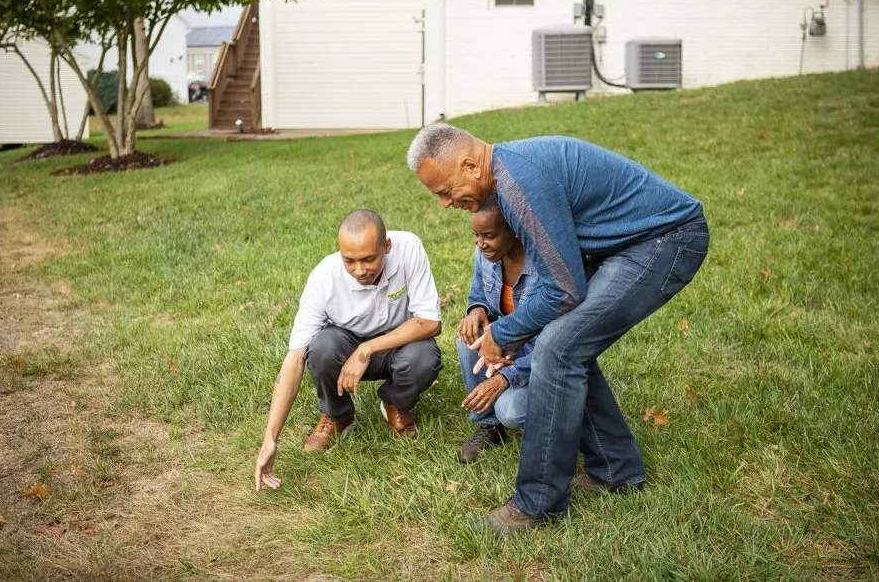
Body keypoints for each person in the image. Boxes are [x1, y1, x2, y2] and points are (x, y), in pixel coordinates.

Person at [406, 125, 709, 533]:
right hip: (633, 244)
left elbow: (563, 291)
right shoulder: (509, 174)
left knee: (559, 348)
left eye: (445, 191)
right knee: (569, 344)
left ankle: (537, 504)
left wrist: (503, 333)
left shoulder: (520, 184)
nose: (445, 204)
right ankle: (615, 470)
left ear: (471, 165)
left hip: (666, 240)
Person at [255, 210, 443, 491]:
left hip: (398, 345)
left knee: (424, 358)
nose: (359, 270)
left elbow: (430, 322)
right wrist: (270, 437)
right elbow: (294, 359)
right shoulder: (324, 277)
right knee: (321, 348)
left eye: (369, 259)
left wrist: (367, 349)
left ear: (387, 247)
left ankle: (395, 402)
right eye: (349, 260)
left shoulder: (409, 248)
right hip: (345, 348)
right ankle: (337, 415)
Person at [456, 199, 537, 464]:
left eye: (489, 236)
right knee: (467, 337)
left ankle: (561, 414)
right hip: (508, 344)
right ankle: (488, 424)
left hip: (542, 356)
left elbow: (554, 344)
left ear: (515, 231)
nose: (480, 244)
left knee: (510, 411)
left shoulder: (541, 266)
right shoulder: (486, 255)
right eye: (476, 235)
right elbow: (479, 295)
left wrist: (506, 377)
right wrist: (476, 311)